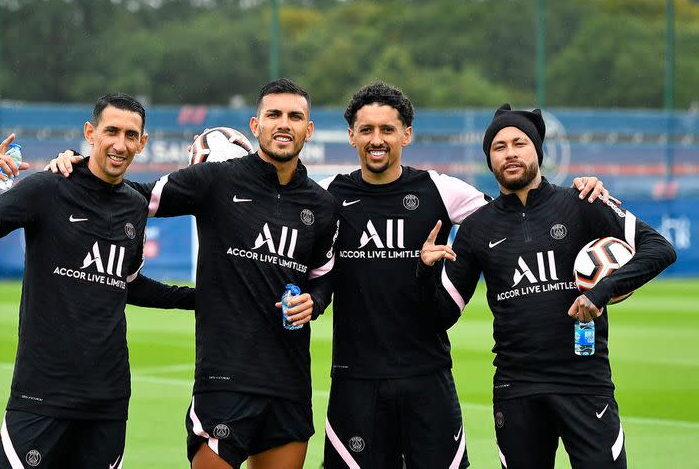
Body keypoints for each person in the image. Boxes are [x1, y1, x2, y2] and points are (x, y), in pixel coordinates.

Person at [48, 79, 340, 469]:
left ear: (309, 128)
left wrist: (315, 302)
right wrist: (79, 165)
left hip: (289, 385)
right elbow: (131, 193)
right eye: (274, 115)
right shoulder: (216, 179)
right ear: (256, 126)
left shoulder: (321, 205)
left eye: (295, 116)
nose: (283, 124)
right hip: (225, 382)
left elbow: (323, 277)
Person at [317, 83, 612, 469]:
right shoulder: (325, 197)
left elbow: (514, 218)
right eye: (367, 129)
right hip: (354, 380)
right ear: (351, 135)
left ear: (406, 134)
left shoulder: (441, 190)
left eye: (387, 129)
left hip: (428, 377)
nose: (377, 139)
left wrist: (584, 193)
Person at [418, 104, 676, 468]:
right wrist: (425, 270)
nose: (510, 153)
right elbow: (440, 316)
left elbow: (659, 248)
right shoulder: (477, 227)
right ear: (490, 159)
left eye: (519, 143)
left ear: (537, 151)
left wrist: (600, 292)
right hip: (516, 389)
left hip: (585, 383)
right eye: (499, 146)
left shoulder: (582, 202)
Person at [0, 93, 195, 468]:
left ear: (142, 143)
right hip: (41, 395)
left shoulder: (135, 206)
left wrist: (200, 298)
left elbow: (126, 285)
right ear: (90, 133)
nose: (120, 144)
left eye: (131, 135)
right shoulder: (46, 188)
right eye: (111, 131)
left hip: (108, 402)